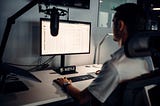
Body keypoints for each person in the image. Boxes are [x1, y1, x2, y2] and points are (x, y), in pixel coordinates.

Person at [55, 3, 155, 106]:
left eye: (113, 22)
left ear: (120, 25)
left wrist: (66, 84)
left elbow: (82, 99)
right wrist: (105, 75)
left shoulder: (114, 66)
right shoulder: (147, 57)